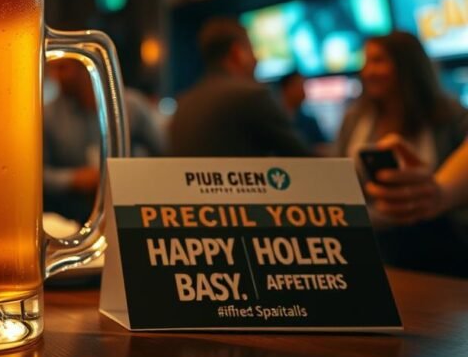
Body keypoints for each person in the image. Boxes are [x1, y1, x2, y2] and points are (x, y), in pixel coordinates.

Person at [335, 31, 468, 275]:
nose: (368, 71)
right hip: (372, 245)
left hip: (439, 248)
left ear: (407, 66)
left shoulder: (448, 114)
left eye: (378, 61)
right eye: (366, 62)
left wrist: (437, 194)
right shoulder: (355, 117)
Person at [168, 18, 311, 157]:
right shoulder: (252, 96)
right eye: (251, 49)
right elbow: (307, 162)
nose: (256, 59)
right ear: (237, 53)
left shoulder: (183, 104)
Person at [43, 58, 163, 223]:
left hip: (130, 208)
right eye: (52, 69)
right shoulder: (48, 114)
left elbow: (163, 153)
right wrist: (73, 179)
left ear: (85, 67)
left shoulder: (130, 105)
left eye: (63, 68)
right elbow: (36, 175)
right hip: (72, 215)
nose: (55, 76)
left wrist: (131, 173)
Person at [278, 71, 328, 153]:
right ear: (287, 88)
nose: (304, 92)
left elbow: (323, 147)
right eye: (300, 85)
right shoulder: (275, 121)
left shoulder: (309, 121)